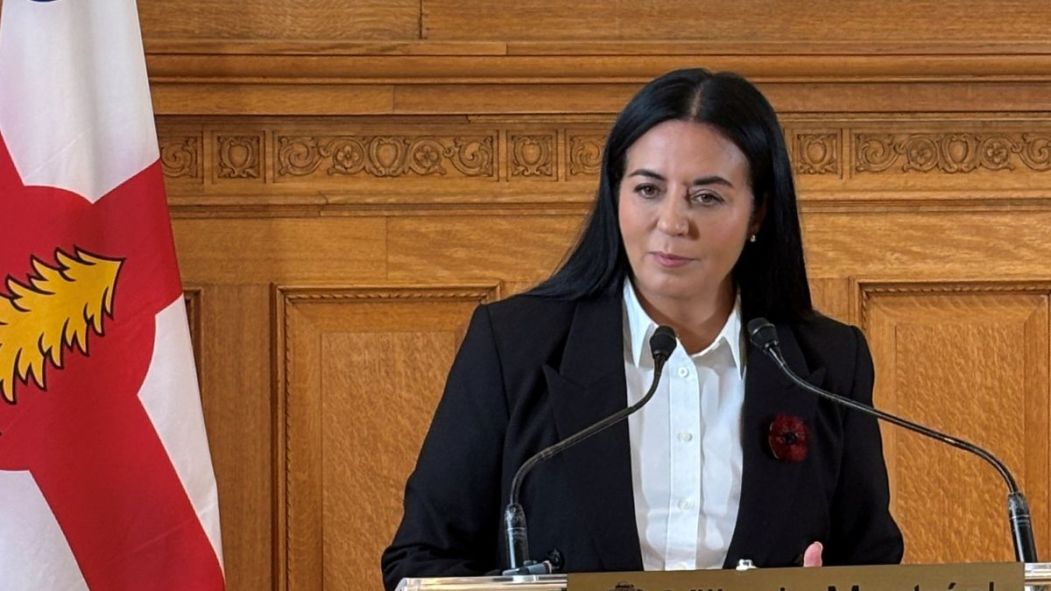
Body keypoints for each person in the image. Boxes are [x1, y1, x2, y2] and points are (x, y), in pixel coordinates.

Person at [381, 68, 903, 591]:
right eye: (649, 189)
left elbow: (875, 564)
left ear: (757, 213)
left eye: (707, 197)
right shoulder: (514, 344)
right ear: (616, 195)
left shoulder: (826, 362)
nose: (672, 222)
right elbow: (423, 560)